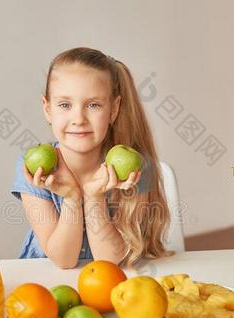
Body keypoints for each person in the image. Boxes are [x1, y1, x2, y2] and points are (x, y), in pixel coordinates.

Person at [11, 47, 172, 269]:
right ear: (47, 109)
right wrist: (71, 198)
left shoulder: (133, 168)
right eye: (65, 105)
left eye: (94, 105)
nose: (78, 118)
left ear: (113, 110)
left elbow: (109, 261)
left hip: (109, 282)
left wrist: (93, 196)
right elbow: (64, 261)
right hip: (44, 286)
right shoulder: (34, 167)